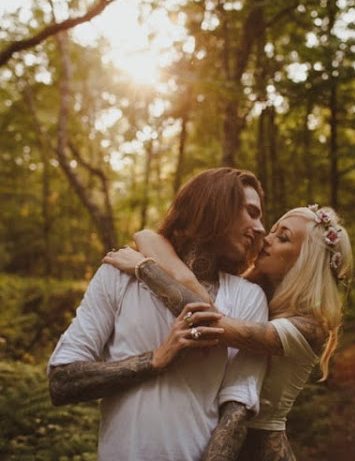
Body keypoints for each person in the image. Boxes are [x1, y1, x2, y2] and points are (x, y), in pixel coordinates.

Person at [47, 167, 269, 461]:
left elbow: (238, 407)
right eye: (251, 212)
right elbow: (61, 381)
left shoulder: (248, 297)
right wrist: (155, 359)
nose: (262, 228)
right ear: (215, 207)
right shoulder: (119, 274)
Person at [104, 204, 353, 460]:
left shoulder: (309, 327)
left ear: (305, 262)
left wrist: (146, 269)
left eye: (282, 238)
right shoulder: (255, 297)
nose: (265, 239)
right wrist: (146, 237)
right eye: (273, 230)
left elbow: (209, 324)